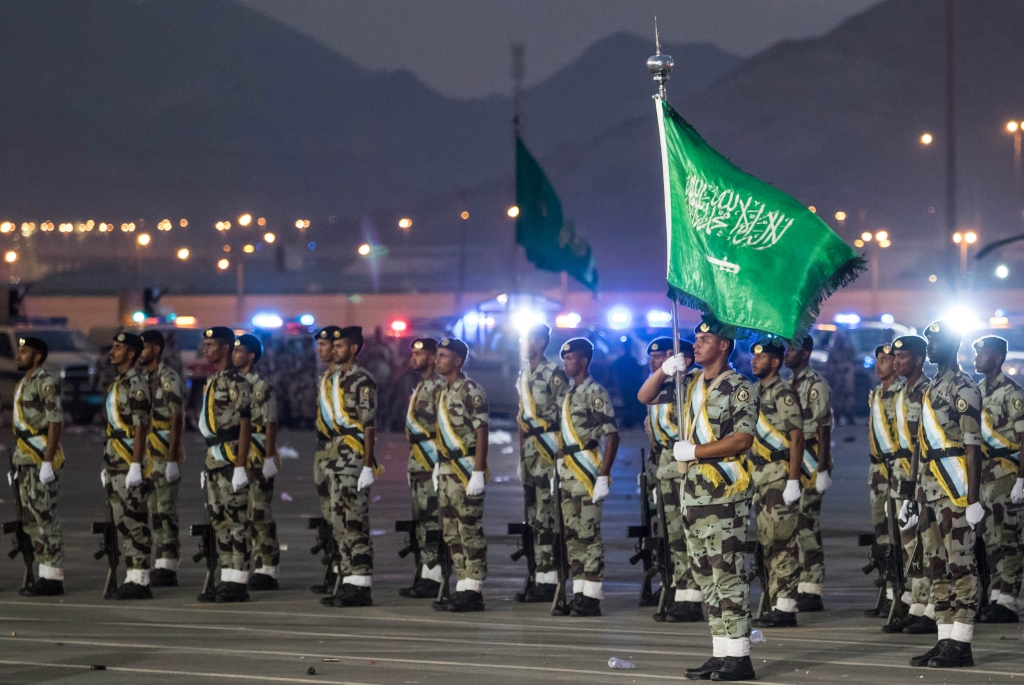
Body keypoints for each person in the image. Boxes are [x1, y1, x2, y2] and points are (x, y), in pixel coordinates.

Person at [676, 317, 757, 682]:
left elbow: (742, 439)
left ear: (724, 345)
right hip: (694, 495)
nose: (697, 344)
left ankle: (740, 656)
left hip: (725, 495)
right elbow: (644, 397)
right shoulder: (691, 383)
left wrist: (695, 450)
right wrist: (665, 371)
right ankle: (720, 652)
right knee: (705, 577)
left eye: (705, 339)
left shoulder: (740, 387)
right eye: (696, 339)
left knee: (728, 576)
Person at [904, 320, 984, 668]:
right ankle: (944, 638)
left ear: (952, 344)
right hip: (929, 490)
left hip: (955, 490)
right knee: (936, 566)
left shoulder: (965, 388)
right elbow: (921, 446)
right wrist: (912, 492)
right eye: (928, 341)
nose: (929, 346)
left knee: (961, 565)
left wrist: (974, 498)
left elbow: (973, 449)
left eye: (935, 341)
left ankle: (962, 642)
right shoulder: (932, 386)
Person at [636, 337, 704, 622]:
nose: (654, 361)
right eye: (652, 358)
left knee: (692, 533)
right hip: (664, 466)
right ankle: (681, 592)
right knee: (674, 536)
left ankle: (694, 596)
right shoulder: (664, 385)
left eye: (661, 357)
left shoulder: (696, 382)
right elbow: (643, 397)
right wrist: (663, 371)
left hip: (689, 465)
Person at [558, 337, 620, 617]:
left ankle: (592, 595)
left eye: (570, 359)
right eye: (564, 359)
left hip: (587, 472)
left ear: (583, 360)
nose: (566, 363)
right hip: (568, 473)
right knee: (572, 535)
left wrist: (604, 475)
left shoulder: (596, 391)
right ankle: (579, 592)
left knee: (589, 535)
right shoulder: (570, 393)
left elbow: (612, 435)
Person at [320, 326, 379, 608]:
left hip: (353, 458)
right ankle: (347, 580)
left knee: (354, 521)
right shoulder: (335, 379)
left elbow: (368, 426)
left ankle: (361, 582)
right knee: (339, 522)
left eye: (341, 346)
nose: (335, 350)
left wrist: (368, 465)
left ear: (353, 348)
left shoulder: (362, 380)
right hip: (335, 456)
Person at [748, 337, 805, 628]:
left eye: (760, 357)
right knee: (767, 540)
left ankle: (786, 605)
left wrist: (793, 480)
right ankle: (774, 601)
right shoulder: (755, 391)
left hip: (779, 474)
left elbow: (796, 437)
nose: (754, 361)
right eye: (753, 356)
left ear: (775, 362)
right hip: (759, 475)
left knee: (782, 539)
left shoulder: (783, 393)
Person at [432, 338, 489, 613]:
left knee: (469, 529)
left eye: (443, 356)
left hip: (465, 469)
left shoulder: (471, 390)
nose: (436, 360)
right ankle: (462, 584)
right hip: (445, 471)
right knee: (451, 533)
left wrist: (478, 471)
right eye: (437, 355)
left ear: (457, 361)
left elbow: (481, 432)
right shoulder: (443, 391)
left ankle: (474, 588)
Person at [197, 326, 253, 603]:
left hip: (231, 457)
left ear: (226, 349)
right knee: (219, 520)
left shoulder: (237, 382)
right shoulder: (213, 380)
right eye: (205, 345)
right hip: (214, 457)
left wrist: (241, 466)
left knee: (236, 520)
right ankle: (227, 577)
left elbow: (245, 426)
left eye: (211, 345)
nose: (205, 350)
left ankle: (239, 580)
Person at [883, 335, 935, 633]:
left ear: (918, 360)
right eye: (895, 356)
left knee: (927, 543)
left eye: (903, 357)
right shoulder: (902, 390)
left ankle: (930, 605)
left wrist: (915, 483)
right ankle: (916, 604)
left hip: (922, 478)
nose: (896, 361)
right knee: (907, 544)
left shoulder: (927, 391)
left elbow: (922, 442)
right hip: (900, 475)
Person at [514, 323, 568, 603]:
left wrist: (561, 456)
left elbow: (565, 417)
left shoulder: (553, 374)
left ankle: (549, 579)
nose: (523, 343)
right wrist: (520, 452)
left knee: (548, 516)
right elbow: (522, 419)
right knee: (533, 517)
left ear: (541, 342)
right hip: (531, 453)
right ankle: (538, 575)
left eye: (528, 339)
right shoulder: (524, 374)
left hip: (549, 451)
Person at [972, 335, 1024, 624]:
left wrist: (1022, 479)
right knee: (990, 538)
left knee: (1008, 538)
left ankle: (1008, 600)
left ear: (998, 359)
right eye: (976, 353)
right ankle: (995, 597)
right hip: (985, 475)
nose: (977, 357)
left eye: (983, 353)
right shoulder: (978, 391)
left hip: (1006, 473)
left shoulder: (1012, 393)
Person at [11, 336, 67, 596]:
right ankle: (44, 573)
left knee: (45, 517)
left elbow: (55, 422)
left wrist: (47, 461)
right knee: (31, 520)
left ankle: (53, 576)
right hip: (24, 458)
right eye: (19, 351)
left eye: (25, 352)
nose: (19, 354)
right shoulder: (24, 383)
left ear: (37, 357)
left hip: (40, 457)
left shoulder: (46, 382)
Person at [102, 332, 154, 599]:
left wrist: (136, 465)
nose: (113, 351)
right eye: (113, 346)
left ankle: (141, 578)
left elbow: (140, 427)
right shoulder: (118, 383)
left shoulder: (136, 384)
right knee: (121, 520)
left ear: (131, 353)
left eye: (119, 347)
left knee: (135, 519)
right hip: (114, 460)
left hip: (129, 461)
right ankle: (131, 575)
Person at [784, 336, 833, 612]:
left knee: (807, 524)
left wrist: (823, 469)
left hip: (812, 461)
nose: (787, 354)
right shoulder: (789, 385)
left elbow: (824, 428)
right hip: (795, 462)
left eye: (792, 349)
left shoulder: (816, 385)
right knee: (795, 525)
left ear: (805, 353)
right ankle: (801, 582)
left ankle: (812, 587)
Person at [233, 334, 282, 591]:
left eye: (239, 350)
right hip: (239, 454)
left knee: (260, 512)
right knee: (244, 514)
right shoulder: (231, 382)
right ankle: (255, 563)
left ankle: (268, 568)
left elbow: (270, 423)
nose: (234, 353)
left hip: (257, 453)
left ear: (251, 355)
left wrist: (270, 458)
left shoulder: (260, 385)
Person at [400, 337, 447, 599]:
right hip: (418, 461)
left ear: (432, 357)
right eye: (412, 353)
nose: (414, 358)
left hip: (431, 461)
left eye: (420, 354)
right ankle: (423, 572)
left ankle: (433, 574)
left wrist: (438, 463)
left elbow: (445, 429)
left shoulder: (440, 387)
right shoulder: (421, 386)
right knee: (420, 520)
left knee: (431, 521)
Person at [139, 329, 185, 588]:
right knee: (154, 510)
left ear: (155, 349)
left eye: (143, 347)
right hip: (147, 455)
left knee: (165, 510)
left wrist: (171, 460)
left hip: (163, 452)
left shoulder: (168, 378)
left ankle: (168, 563)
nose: (139, 352)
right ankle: (159, 560)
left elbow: (176, 417)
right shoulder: (142, 378)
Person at [864, 343, 902, 617]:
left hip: (897, 471)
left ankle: (906, 594)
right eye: (877, 359)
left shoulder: (903, 394)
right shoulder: (876, 394)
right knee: (882, 534)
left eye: (886, 360)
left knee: (901, 534)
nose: (879, 365)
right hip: (877, 472)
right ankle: (890, 594)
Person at [311, 326, 342, 594]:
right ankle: (333, 569)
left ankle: (344, 571)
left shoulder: (343, 379)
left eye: (324, 345)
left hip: (338, 449)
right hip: (323, 449)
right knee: (327, 514)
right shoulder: (326, 377)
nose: (319, 350)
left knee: (341, 513)